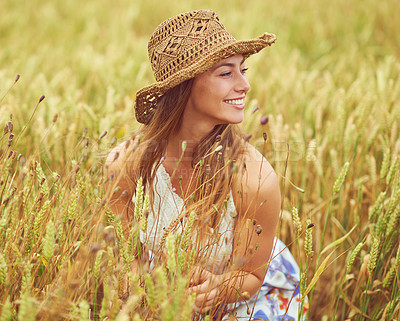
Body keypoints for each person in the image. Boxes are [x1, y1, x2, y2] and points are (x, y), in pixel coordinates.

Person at [106, 9, 307, 321]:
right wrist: (158, 292)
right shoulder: (126, 165)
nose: (244, 85)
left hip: (242, 303)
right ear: (184, 86)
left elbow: (251, 277)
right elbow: (120, 261)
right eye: (226, 73)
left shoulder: (254, 178)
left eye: (243, 70)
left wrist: (219, 288)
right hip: (158, 294)